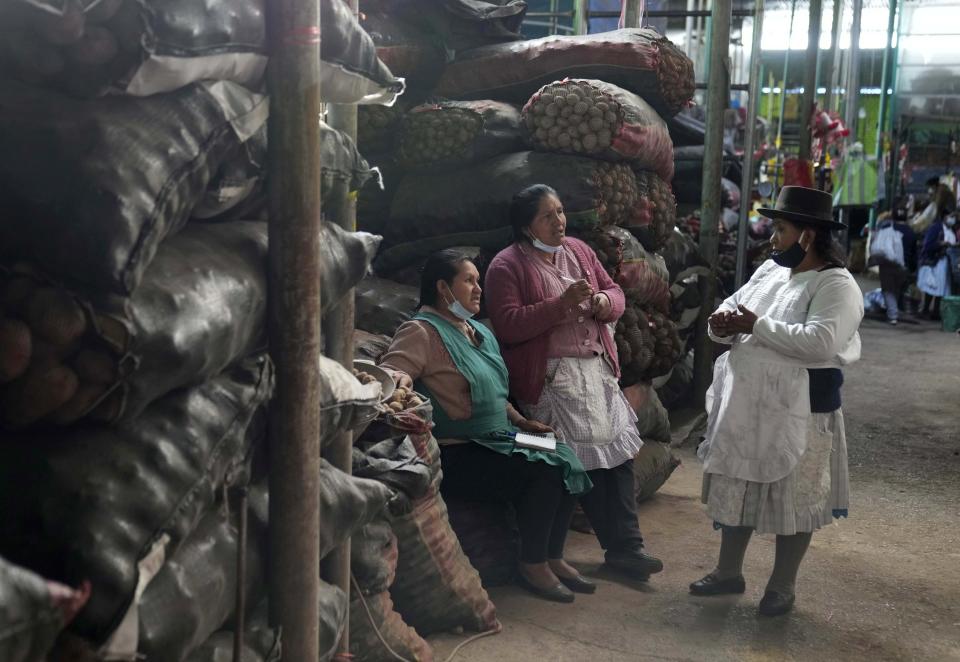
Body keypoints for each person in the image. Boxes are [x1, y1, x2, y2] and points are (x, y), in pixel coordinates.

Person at [379, 250, 593, 603]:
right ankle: (532, 564)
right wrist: (398, 384)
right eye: (469, 281)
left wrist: (523, 422)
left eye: (478, 281)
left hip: (502, 436)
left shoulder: (478, 331)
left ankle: (554, 556)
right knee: (542, 472)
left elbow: (494, 394)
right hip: (461, 447)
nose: (478, 289)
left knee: (565, 454)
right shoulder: (421, 331)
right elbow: (394, 370)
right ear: (443, 288)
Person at [691, 186, 864, 617]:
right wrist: (722, 323)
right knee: (739, 486)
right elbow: (734, 308)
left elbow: (821, 342)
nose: (772, 238)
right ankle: (728, 572)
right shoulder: (769, 271)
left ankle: (782, 586)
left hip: (800, 409)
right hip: (748, 406)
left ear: (808, 236)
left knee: (795, 496)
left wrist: (755, 324)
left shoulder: (835, 284)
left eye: (781, 229)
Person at [484, 184, 663, 583]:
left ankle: (627, 548)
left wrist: (602, 303)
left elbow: (616, 293)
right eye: (547, 216)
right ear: (526, 225)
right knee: (572, 459)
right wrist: (560, 304)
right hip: (553, 377)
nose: (559, 221)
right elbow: (509, 325)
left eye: (561, 212)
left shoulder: (580, 252)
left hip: (595, 371)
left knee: (617, 456)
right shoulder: (507, 265)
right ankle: (548, 555)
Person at [868, 213, 909, 325]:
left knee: (888, 290)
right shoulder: (897, 235)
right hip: (899, 267)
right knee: (894, 290)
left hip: (886, 267)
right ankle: (893, 312)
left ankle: (892, 315)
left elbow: (876, 250)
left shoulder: (881, 234)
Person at [917, 211, 957, 320]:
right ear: (944, 217)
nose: (953, 219)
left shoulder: (951, 230)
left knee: (942, 287)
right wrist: (941, 244)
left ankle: (935, 311)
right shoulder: (936, 228)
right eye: (951, 216)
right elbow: (928, 245)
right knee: (932, 287)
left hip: (946, 263)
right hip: (935, 262)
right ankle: (925, 309)